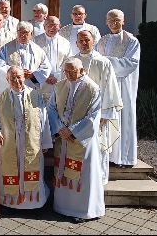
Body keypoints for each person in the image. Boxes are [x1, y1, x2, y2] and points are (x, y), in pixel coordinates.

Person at [48, 57, 105, 223]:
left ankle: (84, 211)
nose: (69, 74)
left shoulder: (92, 88)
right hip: (63, 138)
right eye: (66, 71)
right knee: (63, 169)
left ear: (82, 70)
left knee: (84, 175)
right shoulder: (60, 86)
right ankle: (62, 207)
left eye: (72, 71)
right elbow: (51, 108)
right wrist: (59, 128)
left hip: (82, 140)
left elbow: (94, 116)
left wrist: (72, 131)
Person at [0, 66, 53, 210]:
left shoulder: (36, 96)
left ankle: (34, 202)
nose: (16, 81)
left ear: (24, 78)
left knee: (32, 171)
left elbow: (44, 120)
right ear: (7, 80)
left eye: (19, 77)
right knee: (11, 170)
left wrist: (46, 142)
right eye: (12, 78)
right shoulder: (1, 98)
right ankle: (10, 201)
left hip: (31, 141)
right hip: (9, 142)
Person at [74, 29, 122, 185]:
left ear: (93, 41)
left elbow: (110, 89)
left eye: (87, 40)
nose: (84, 43)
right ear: (76, 43)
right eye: (80, 40)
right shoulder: (72, 62)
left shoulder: (103, 62)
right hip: (78, 115)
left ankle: (99, 180)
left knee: (98, 146)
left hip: (98, 115)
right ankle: (79, 178)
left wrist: (105, 113)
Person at [96, 9, 140, 169]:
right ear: (106, 22)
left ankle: (123, 158)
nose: (114, 23)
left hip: (123, 87)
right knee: (106, 118)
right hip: (106, 86)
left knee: (124, 118)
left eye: (117, 20)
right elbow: (95, 61)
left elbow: (131, 64)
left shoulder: (132, 41)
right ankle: (106, 155)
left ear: (123, 21)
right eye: (111, 20)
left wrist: (106, 61)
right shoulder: (102, 41)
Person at [0, 21, 51, 94]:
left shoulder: (38, 50)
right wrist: (17, 73)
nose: (22, 35)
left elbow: (46, 67)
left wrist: (33, 75)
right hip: (11, 87)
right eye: (20, 32)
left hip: (30, 87)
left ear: (31, 34)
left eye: (25, 32)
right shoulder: (6, 48)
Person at [33, 16, 71, 103]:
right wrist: (45, 75)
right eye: (48, 25)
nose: (51, 28)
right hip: (41, 81)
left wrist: (57, 76)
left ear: (59, 26)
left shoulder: (65, 43)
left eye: (54, 25)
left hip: (59, 80)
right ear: (44, 26)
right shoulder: (36, 41)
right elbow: (33, 60)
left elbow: (68, 61)